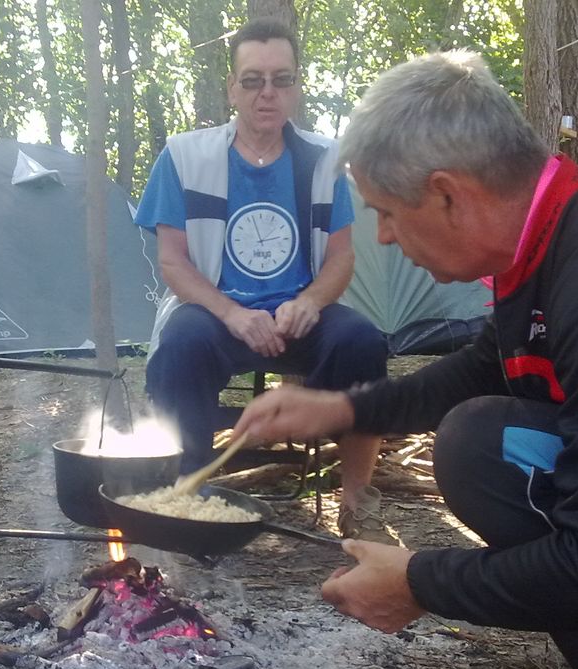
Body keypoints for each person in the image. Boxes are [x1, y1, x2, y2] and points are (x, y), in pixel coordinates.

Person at [234, 49, 578, 669]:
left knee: (483, 448)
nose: (383, 236)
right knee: (483, 438)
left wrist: (420, 583)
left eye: (387, 213)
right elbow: (485, 367)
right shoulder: (553, 233)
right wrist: (338, 410)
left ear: (448, 195)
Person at [134, 19, 390, 540]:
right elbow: (174, 263)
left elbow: (341, 258)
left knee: (363, 342)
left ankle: (358, 504)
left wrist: (310, 301)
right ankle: (186, 497)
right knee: (181, 343)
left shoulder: (325, 160)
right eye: (252, 80)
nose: (266, 92)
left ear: (296, 87)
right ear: (232, 87)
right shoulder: (184, 156)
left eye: (280, 79)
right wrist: (232, 313)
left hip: (298, 314)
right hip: (216, 310)